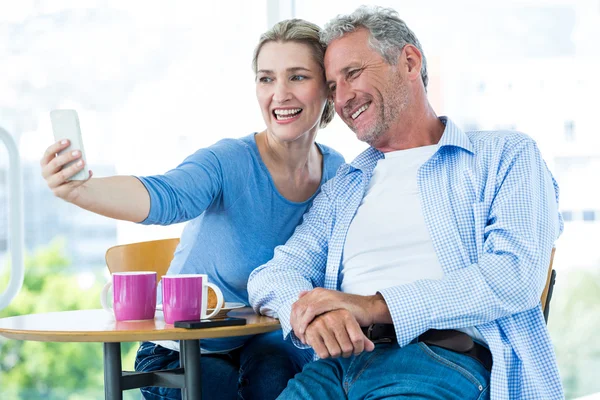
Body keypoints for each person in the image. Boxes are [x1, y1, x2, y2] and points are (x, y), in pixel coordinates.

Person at [248, 6, 563, 400]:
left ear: (409, 61)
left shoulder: (503, 156)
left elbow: (512, 276)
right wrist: (310, 316)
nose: (342, 98)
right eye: (332, 87)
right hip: (334, 370)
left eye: (353, 73)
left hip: (439, 362)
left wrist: (372, 306)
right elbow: (272, 274)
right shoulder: (344, 186)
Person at [40, 19, 345, 400]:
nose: (279, 94)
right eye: (266, 79)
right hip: (180, 351)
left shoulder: (337, 174)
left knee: (279, 379)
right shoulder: (228, 160)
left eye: (297, 77)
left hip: (264, 347)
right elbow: (164, 196)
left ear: (329, 88)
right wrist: (81, 190)